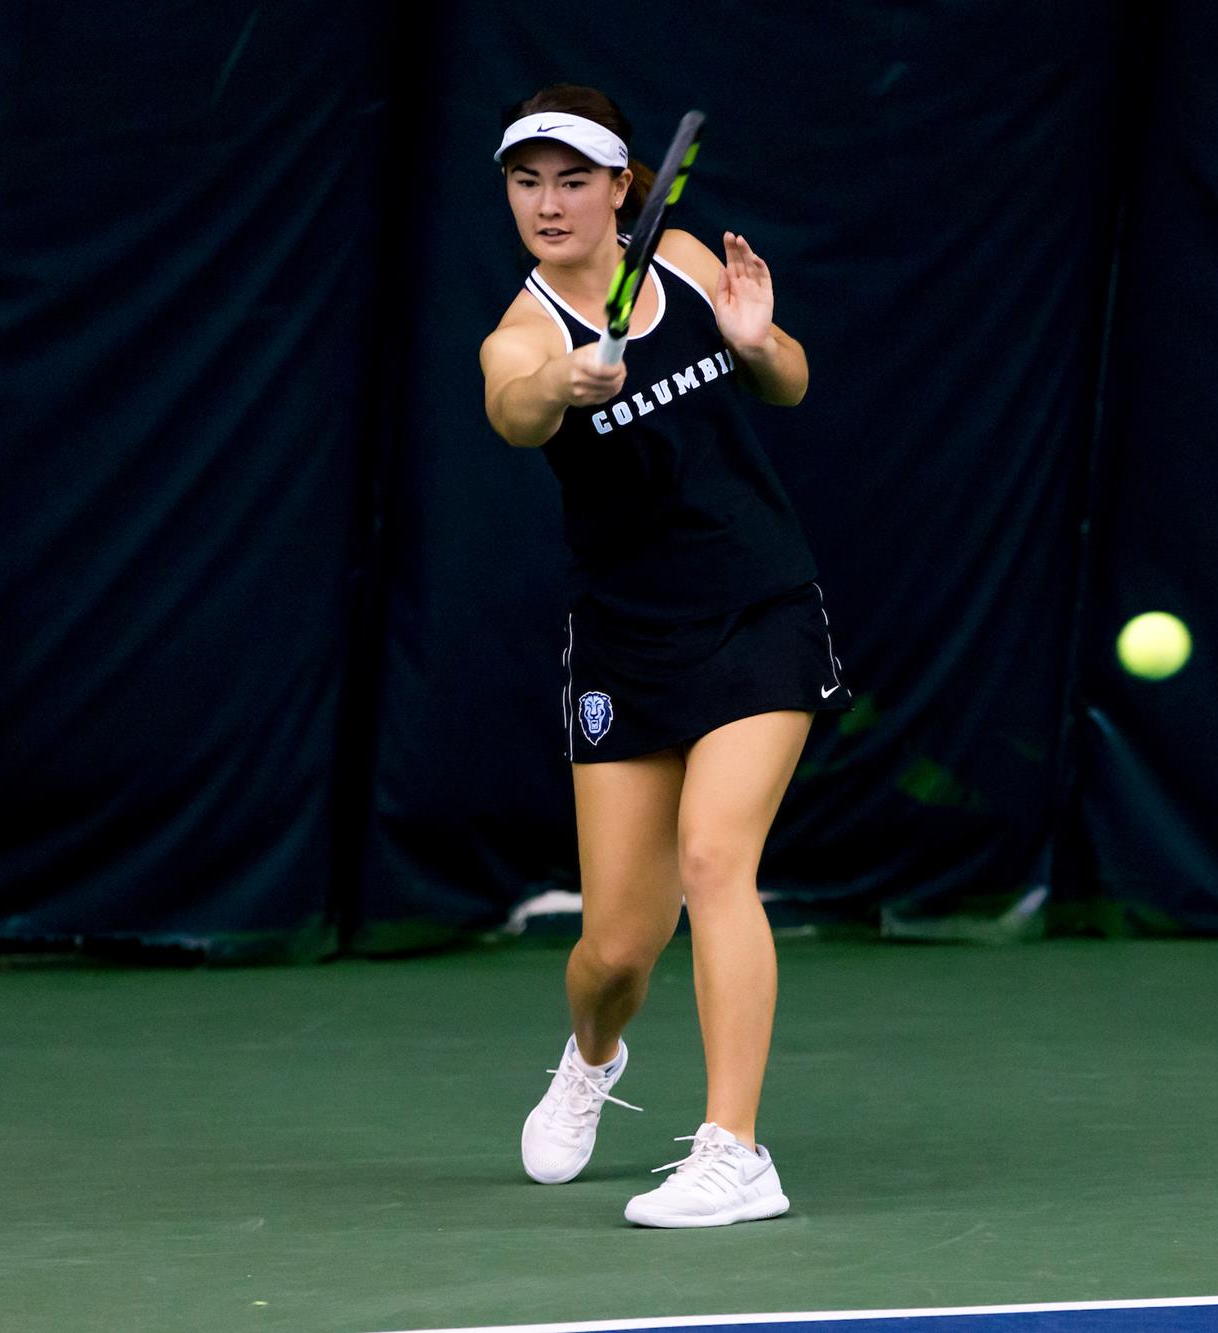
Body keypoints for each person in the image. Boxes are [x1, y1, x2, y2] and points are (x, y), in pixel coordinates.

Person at [478, 84, 851, 1228]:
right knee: (613, 947)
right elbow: (513, 409)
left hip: (756, 607)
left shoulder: (683, 259)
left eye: (572, 179)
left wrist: (758, 340)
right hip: (626, 643)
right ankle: (593, 1056)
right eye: (526, 180)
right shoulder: (523, 330)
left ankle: (734, 1151)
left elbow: (786, 381)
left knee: (712, 861)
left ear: (621, 188)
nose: (547, 203)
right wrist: (566, 382)